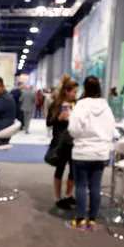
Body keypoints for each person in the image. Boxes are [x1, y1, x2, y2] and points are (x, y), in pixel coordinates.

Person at [66, 76, 115, 231]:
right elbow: (111, 129)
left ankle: (80, 219)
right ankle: (92, 220)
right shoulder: (106, 107)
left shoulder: (81, 106)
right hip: (100, 153)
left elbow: (73, 130)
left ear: (84, 89)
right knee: (95, 187)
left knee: (80, 186)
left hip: (82, 152)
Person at [47, 79, 79, 210]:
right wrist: (58, 118)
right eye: (74, 92)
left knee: (73, 171)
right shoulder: (56, 105)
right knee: (59, 169)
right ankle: (58, 197)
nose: (75, 94)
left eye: (77, 92)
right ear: (66, 91)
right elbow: (48, 123)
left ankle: (68, 195)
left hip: (74, 142)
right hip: (61, 142)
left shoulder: (77, 104)